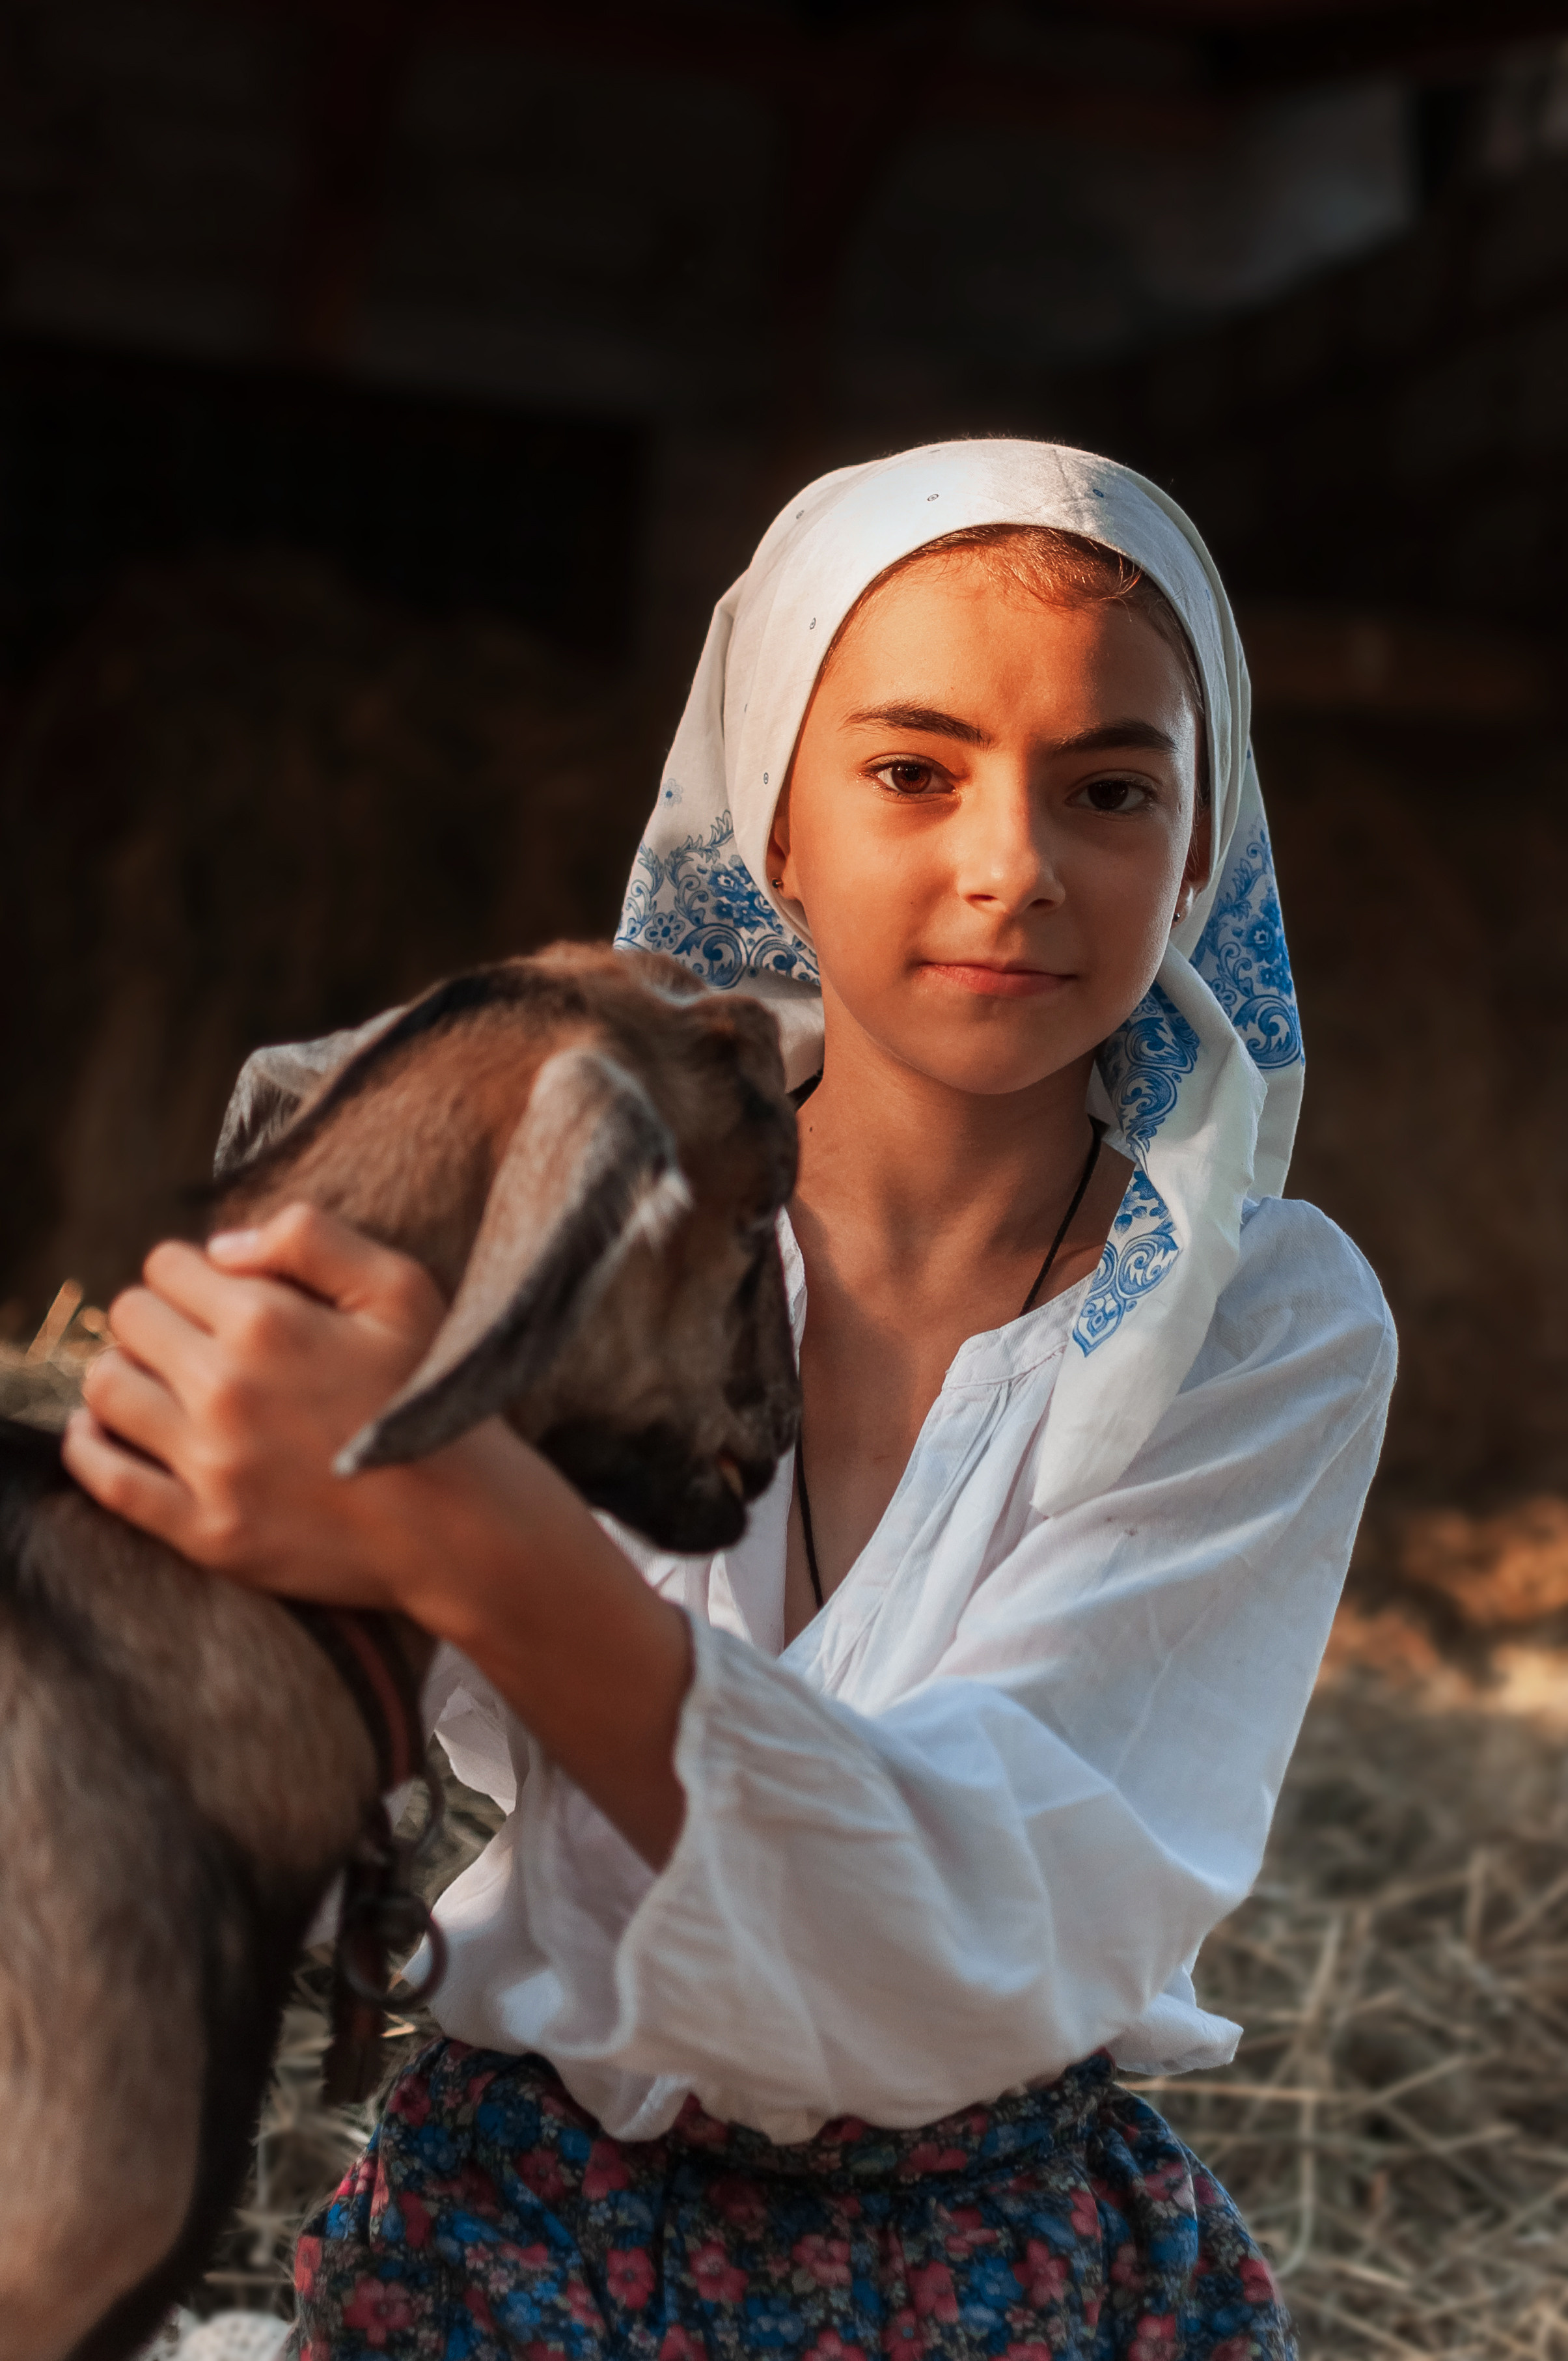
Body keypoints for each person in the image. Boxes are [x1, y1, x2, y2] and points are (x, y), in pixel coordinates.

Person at [66, 441, 1396, 2361]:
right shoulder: (547, 1208)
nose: (1011, 863)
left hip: (995, 2252)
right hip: (529, 2203)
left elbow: (968, 1918)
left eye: (1109, 787)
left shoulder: (1262, 1320)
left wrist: (467, 1531)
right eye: (910, 770)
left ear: (1198, 852)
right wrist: (221, 1431)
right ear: (772, 824)